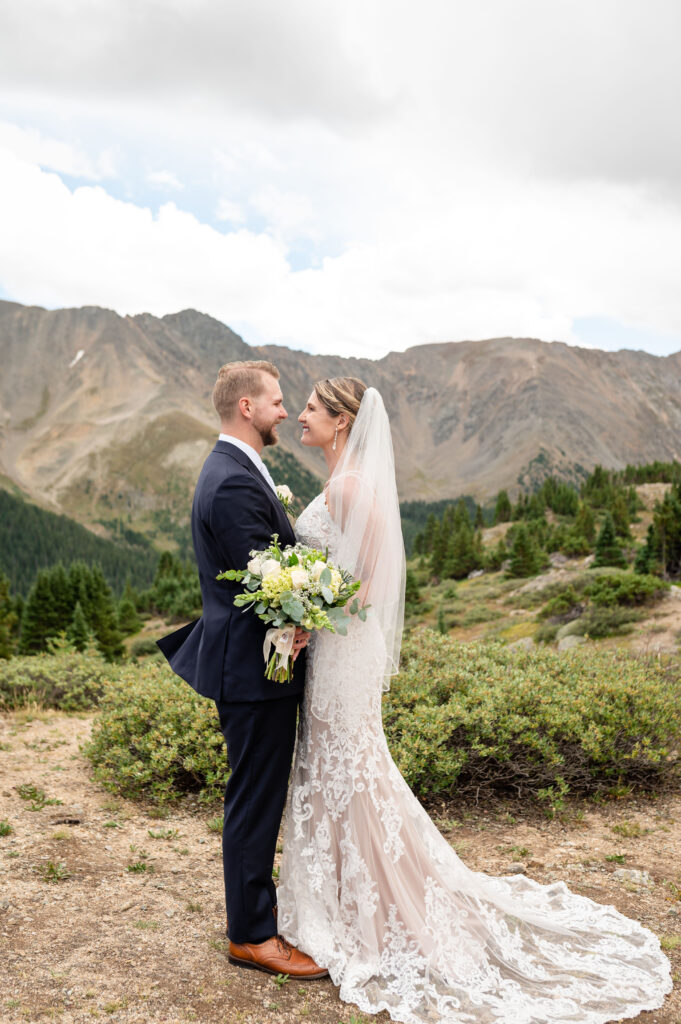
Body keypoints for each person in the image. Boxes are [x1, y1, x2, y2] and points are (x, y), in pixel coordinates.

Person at [276, 376, 672, 1023]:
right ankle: (345, 895)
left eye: (313, 409)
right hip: (336, 647)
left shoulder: (348, 487)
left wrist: (305, 619)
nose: (301, 415)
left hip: (342, 649)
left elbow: (367, 586)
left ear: (342, 421)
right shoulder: (343, 481)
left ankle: (369, 907)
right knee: (341, 768)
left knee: (350, 768)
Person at [157, 360, 326, 980]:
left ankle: (255, 923)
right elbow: (263, 581)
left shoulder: (238, 469)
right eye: (277, 402)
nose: (286, 411)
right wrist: (302, 612)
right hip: (254, 672)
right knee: (254, 799)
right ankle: (252, 935)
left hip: (259, 665)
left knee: (257, 793)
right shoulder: (229, 481)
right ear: (247, 409)